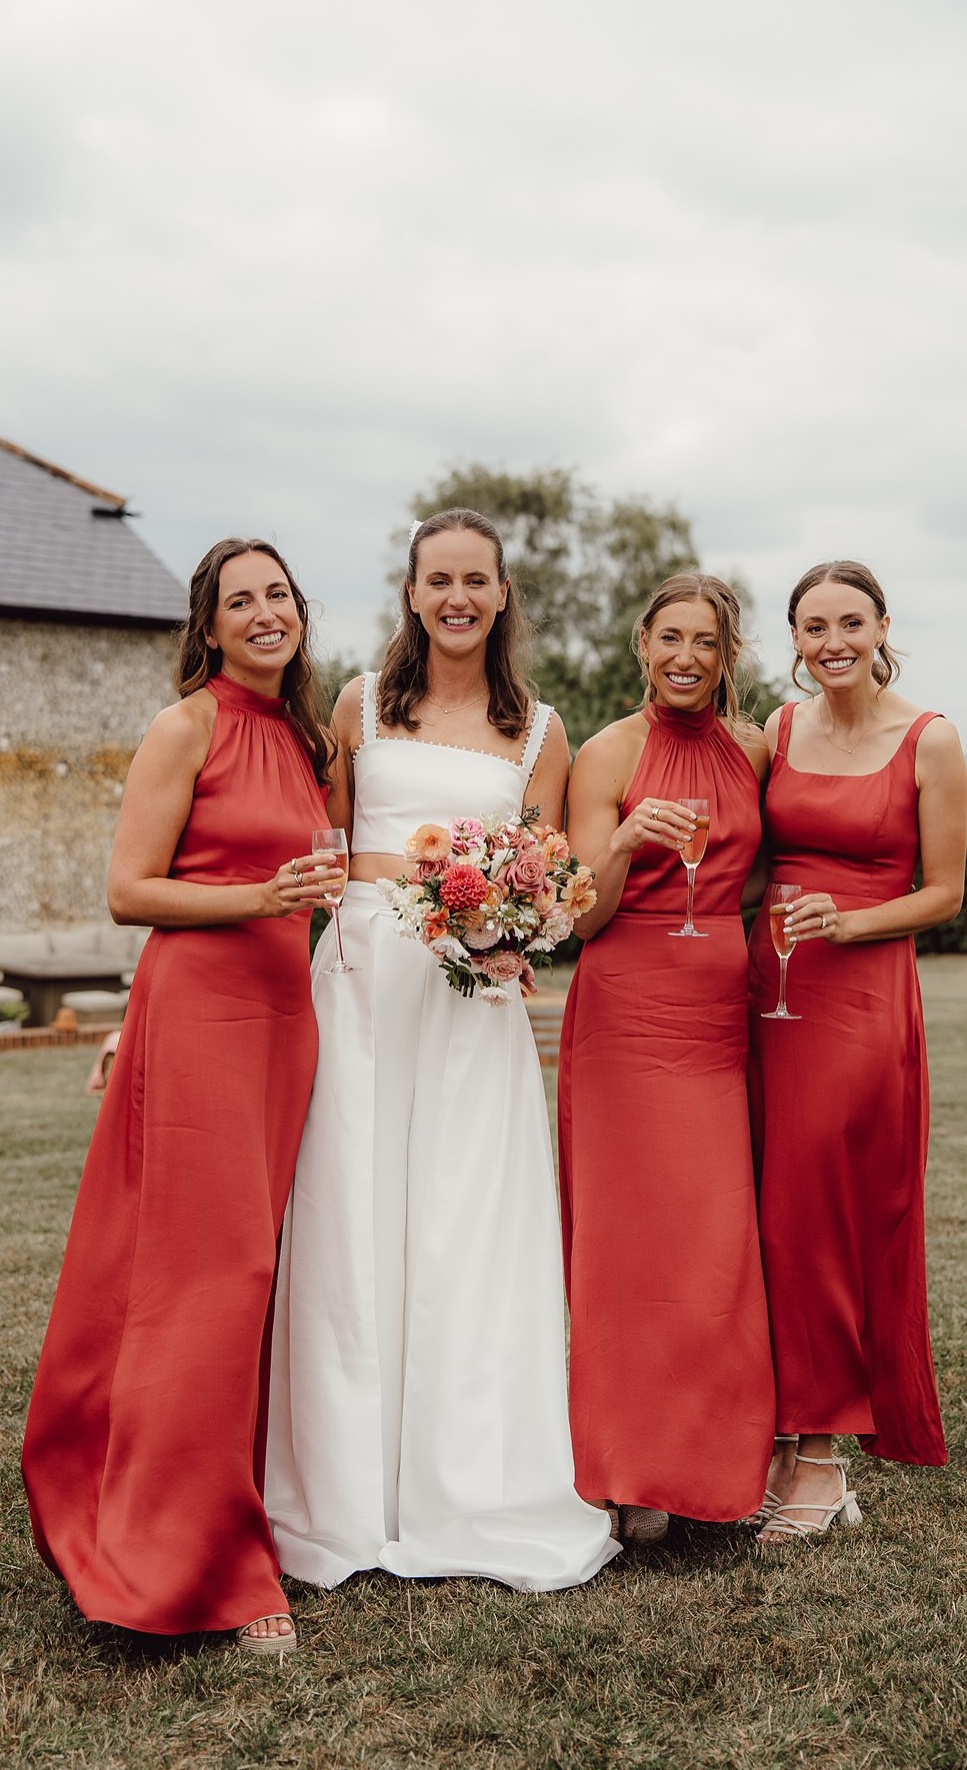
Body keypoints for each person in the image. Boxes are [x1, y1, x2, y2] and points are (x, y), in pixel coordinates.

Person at [265, 507, 619, 1591]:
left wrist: (518, 934)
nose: (457, 596)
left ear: (503, 594)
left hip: (471, 999)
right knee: (352, 1218)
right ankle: (345, 1487)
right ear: (411, 593)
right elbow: (312, 844)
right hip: (366, 980)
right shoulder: (360, 707)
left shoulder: (542, 730)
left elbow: (558, 877)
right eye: (437, 579)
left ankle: (473, 1483)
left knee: (468, 1225)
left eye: (477, 579)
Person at [22, 538, 341, 1651]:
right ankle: (204, 1562)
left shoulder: (307, 737)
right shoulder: (187, 725)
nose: (264, 613)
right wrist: (260, 894)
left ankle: (218, 1506)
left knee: (250, 1276)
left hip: (283, 1029)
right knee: (214, 1275)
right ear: (207, 627)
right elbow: (129, 888)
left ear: (301, 612)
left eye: (279, 596)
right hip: (205, 1018)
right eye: (239, 601)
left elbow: (340, 879)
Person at [747, 560, 967, 1543]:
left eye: (849, 621)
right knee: (767, 1208)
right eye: (811, 625)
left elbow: (946, 893)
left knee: (825, 1208)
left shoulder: (930, 738)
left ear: (883, 625)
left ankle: (826, 1451)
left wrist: (856, 919)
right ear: (793, 639)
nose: (831, 640)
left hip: (859, 990)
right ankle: (786, 1433)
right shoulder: (778, 732)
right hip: (770, 986)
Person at [558, 573, 776, 1544]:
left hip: (716, 1010)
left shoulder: (756, 750)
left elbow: (766, 868)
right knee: (628, 1242)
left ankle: (712, 1465)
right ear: (642, 643)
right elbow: (577, 914)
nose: (688, 656)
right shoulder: (608, 753)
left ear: (729, 657)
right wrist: (628, 845)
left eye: (708, 641)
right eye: (671, 637)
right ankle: (628, 1467)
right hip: (626, 1012)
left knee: (715, 1238)